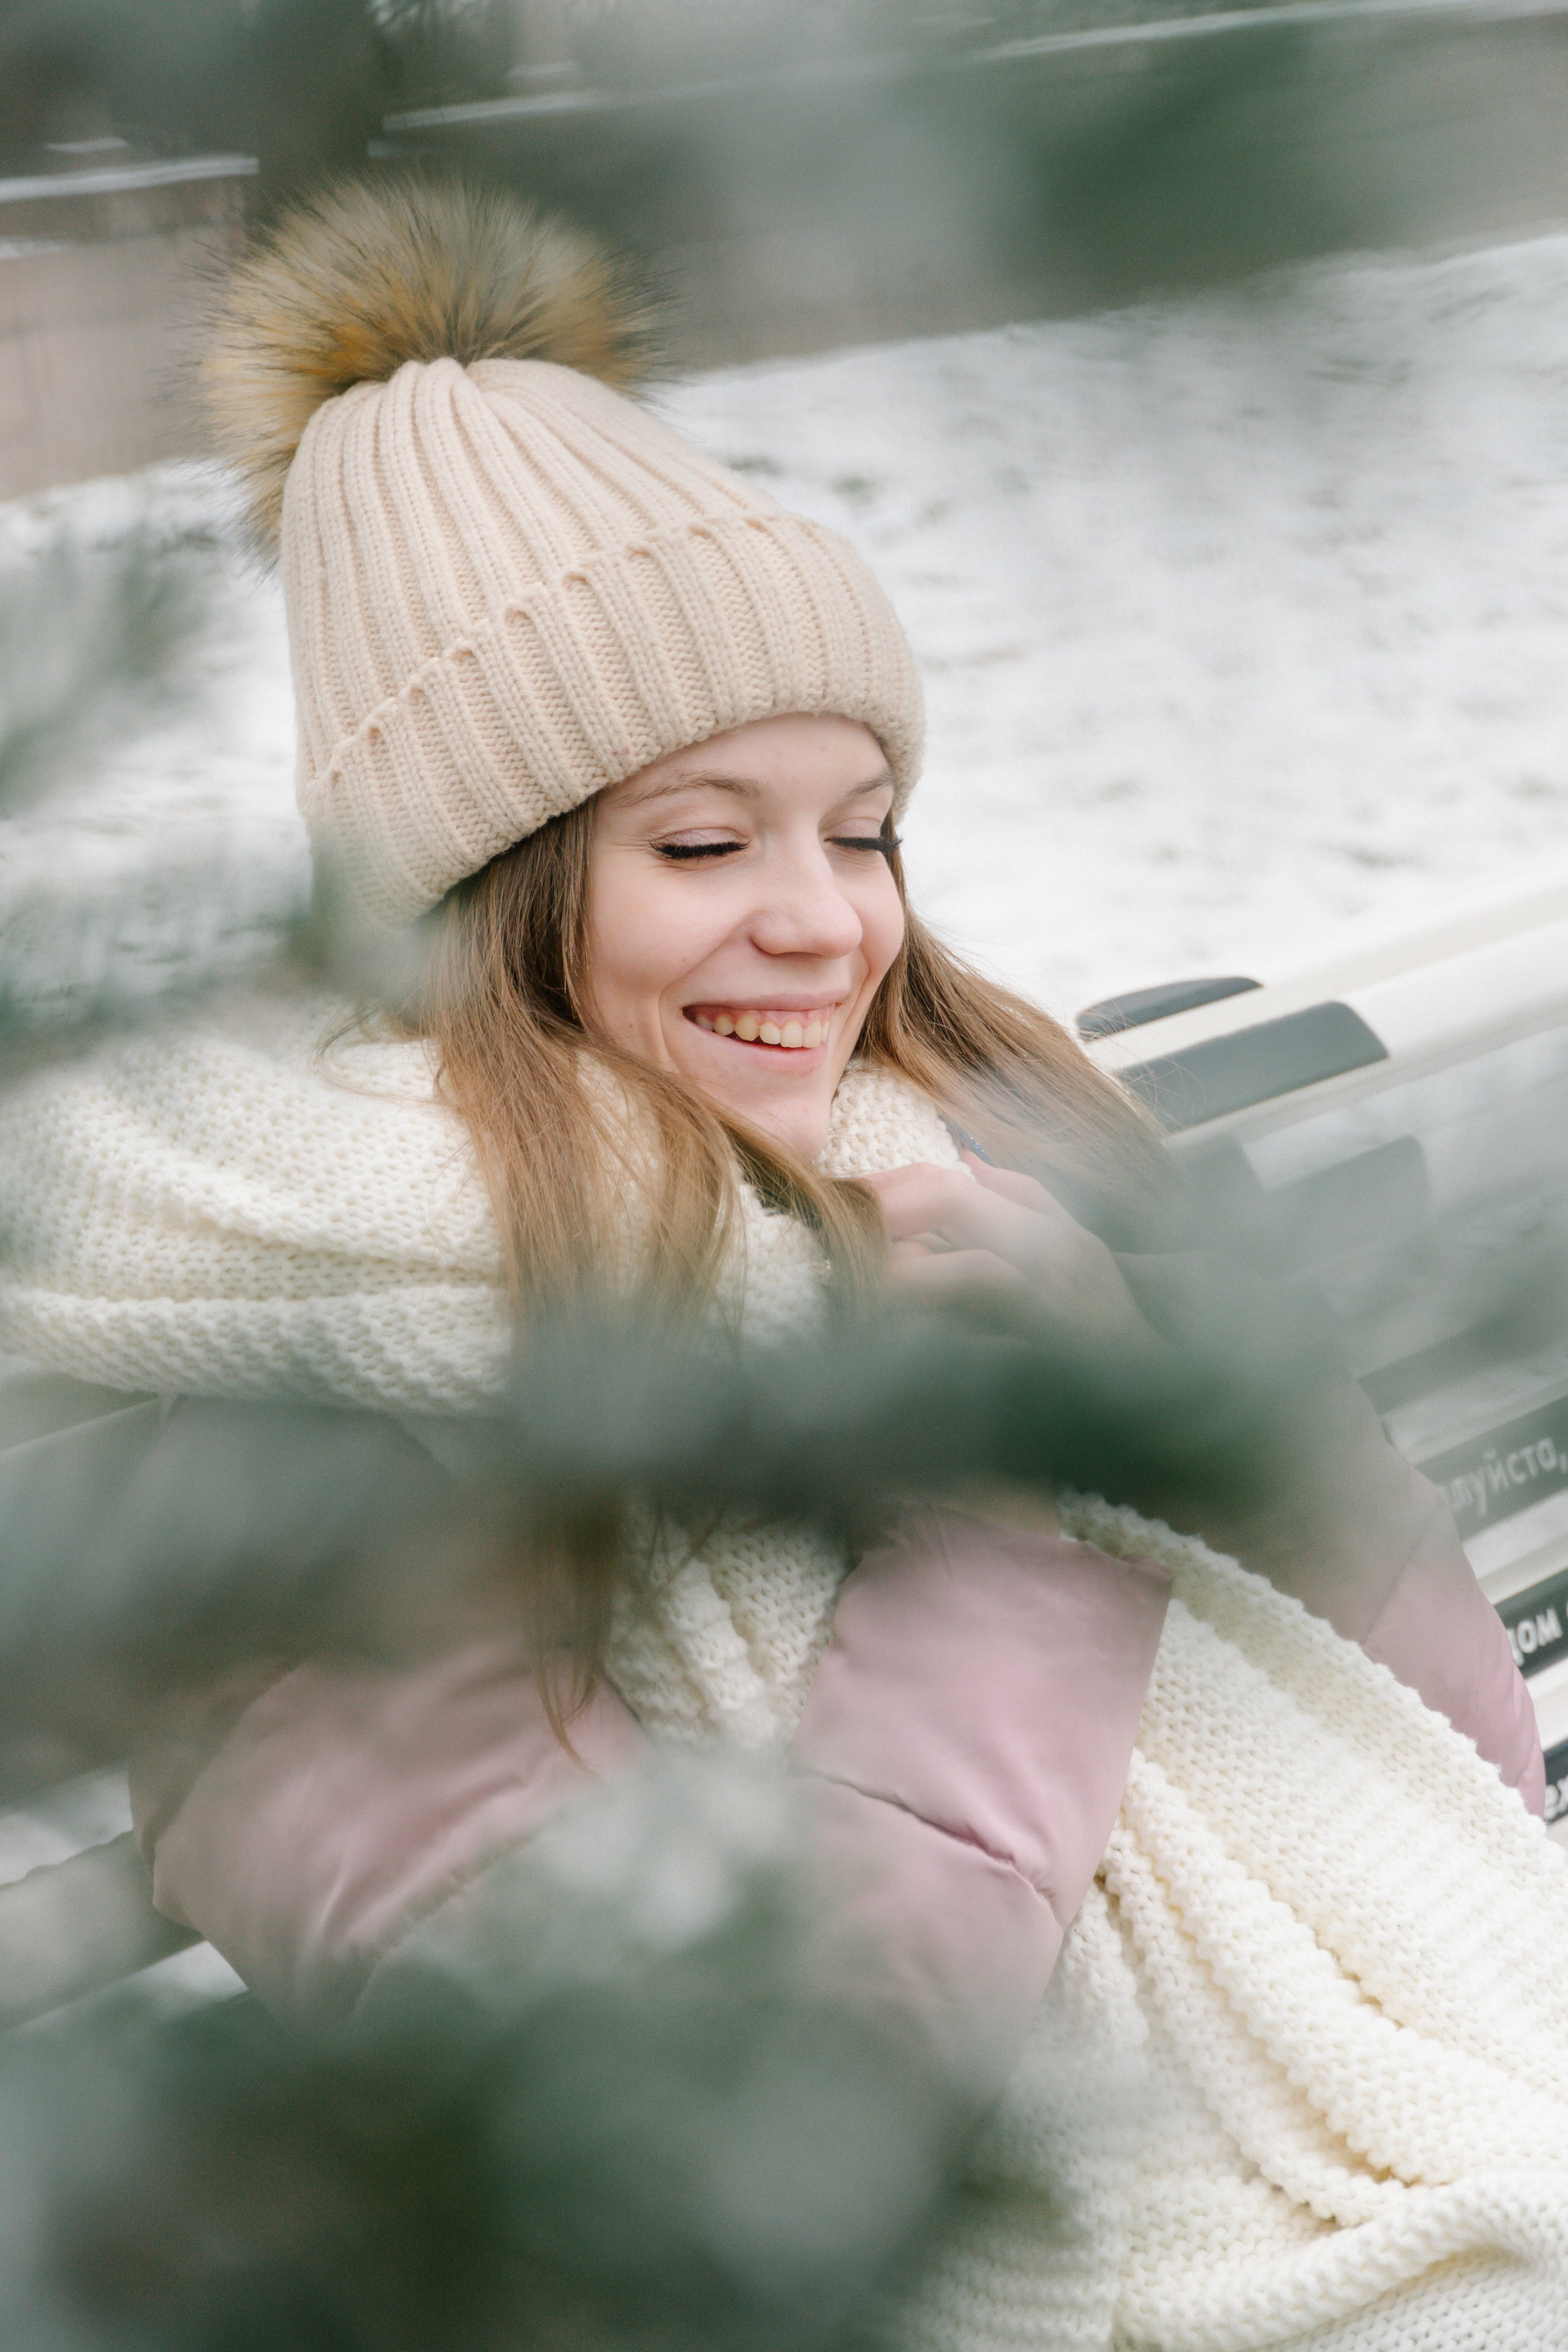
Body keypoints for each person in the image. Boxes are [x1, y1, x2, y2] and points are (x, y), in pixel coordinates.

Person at [2, 178, 1566, 2350]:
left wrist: (1186, 1397)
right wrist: (1005, 1522)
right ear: (485, 895)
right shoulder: (330, 1404)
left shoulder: (949, 1163)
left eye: (866, 827)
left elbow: (1450, 1754)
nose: (832, 923)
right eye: (706, 842)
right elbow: (705, 2166)